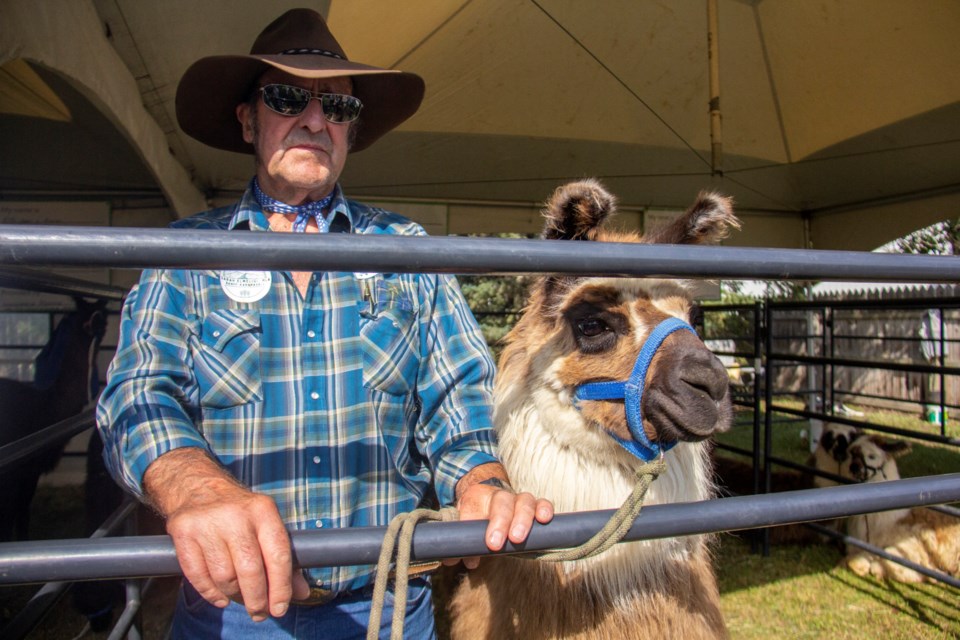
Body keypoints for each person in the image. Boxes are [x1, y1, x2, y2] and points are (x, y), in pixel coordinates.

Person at [96, 8, 553, 639]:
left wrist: (479, 481)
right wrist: (196, 490)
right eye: (289, 98)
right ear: (248, 118)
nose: (316, 120)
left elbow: (458, 394)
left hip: (389, 606)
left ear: (350, 130)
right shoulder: (185, 254)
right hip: (237, 611)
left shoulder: (405, 248)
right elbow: (138, 393)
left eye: (337, 109)